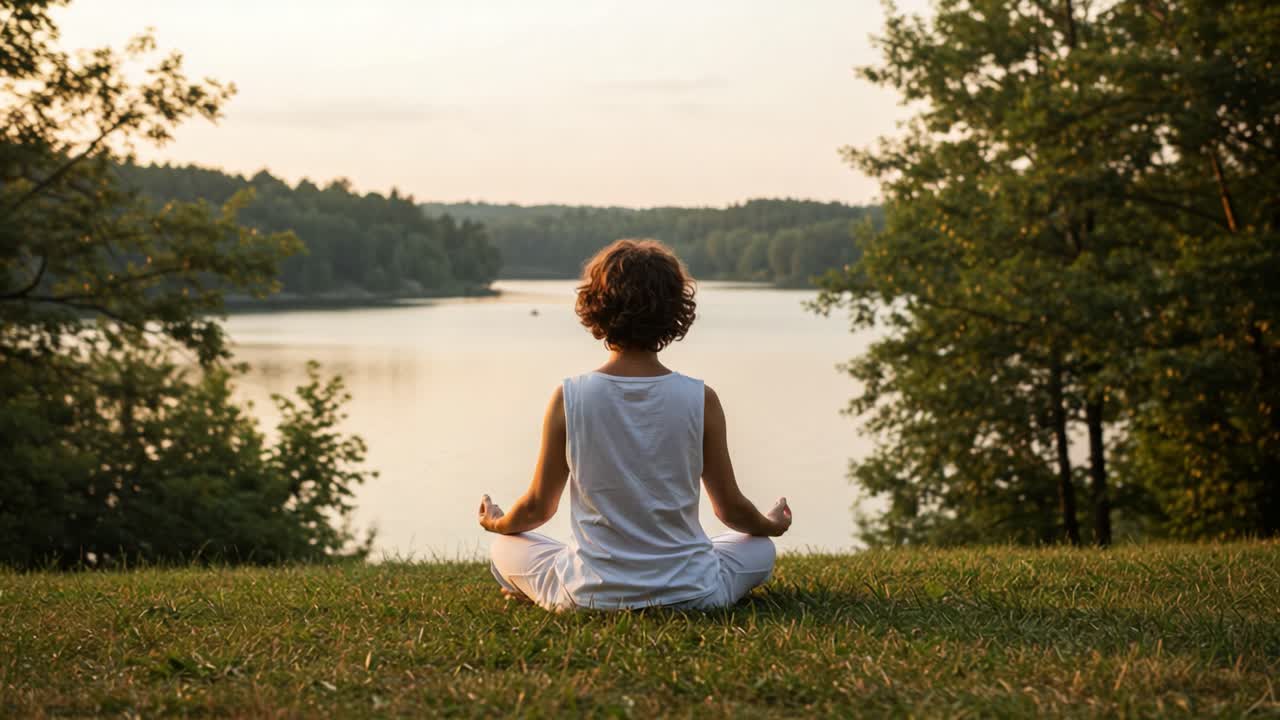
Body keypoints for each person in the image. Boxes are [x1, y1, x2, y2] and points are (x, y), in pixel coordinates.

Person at [478, 238, 792, 611]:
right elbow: (731, 510)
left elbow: (537, 508)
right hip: (693, 593)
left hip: (589, 596)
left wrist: (497, 523)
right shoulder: (700, 398)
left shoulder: (569, 397)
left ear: (596, 308)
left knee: (505, 546)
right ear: (675, 312)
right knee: (760, 547)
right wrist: (770, 525)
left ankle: (536, 588)